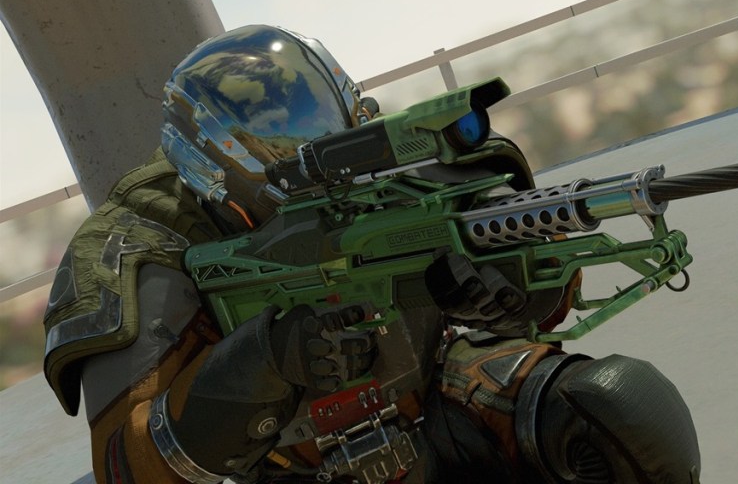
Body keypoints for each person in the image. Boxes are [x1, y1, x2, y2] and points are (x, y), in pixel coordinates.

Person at [43, 25, 701, 483]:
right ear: (216, 173)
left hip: (423, 391)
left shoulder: (372, 156)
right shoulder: (138, 241)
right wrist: (266, 358)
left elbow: (545, 285)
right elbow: (128, 466)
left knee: (619, 411)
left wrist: (511, 290)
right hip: (275, 460)